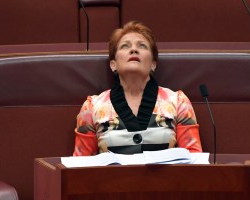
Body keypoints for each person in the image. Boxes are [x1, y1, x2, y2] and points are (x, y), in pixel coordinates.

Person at [73, 21, 202, 156]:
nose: (134, 50)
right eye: (125, 46)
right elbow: (79, 166)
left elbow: (195, 161)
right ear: (113, 65)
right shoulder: (92, 107)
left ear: (153, 64)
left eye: (142, 46)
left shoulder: (178, 102)